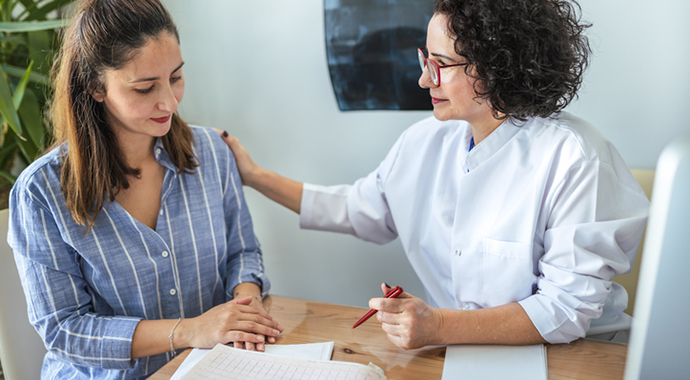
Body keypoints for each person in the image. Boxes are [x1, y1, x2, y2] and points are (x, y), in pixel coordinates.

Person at [222, 0, 649, 349]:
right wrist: (254, 175)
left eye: (441, 63)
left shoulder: (574, 157)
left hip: (579, 356)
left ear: (497, 67)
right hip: (463, 353)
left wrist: (438, 325)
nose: (424, 79)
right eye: (425, 58)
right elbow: (357, 209)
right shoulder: (423, 142)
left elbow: (565, 310)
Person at [7, 0, 283, 378]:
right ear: (95, 87)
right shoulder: (40, 191)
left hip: (210, 367)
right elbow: (64, 329)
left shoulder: (212, 153)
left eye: (176, 77)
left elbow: (243, 252)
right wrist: (190, 330)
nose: (169, 101)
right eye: (145, 87)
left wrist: (245, 302)